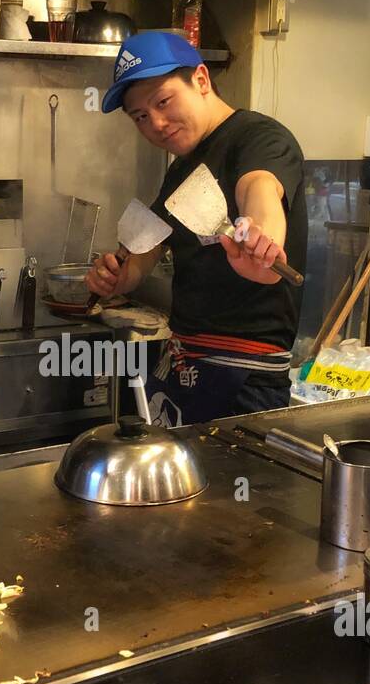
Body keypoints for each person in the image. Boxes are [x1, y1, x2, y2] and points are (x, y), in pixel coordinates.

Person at [86, 32, 307, 424]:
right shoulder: (180, 171)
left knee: (228, 484)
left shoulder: (258, 137)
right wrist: (119, 277)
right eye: (139, 116)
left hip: (244, 377)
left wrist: (262, 237)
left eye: (163, 101)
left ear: (201, 80)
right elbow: (145, 252)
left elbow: (259, 188)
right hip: (184, 364)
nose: (155, 122)